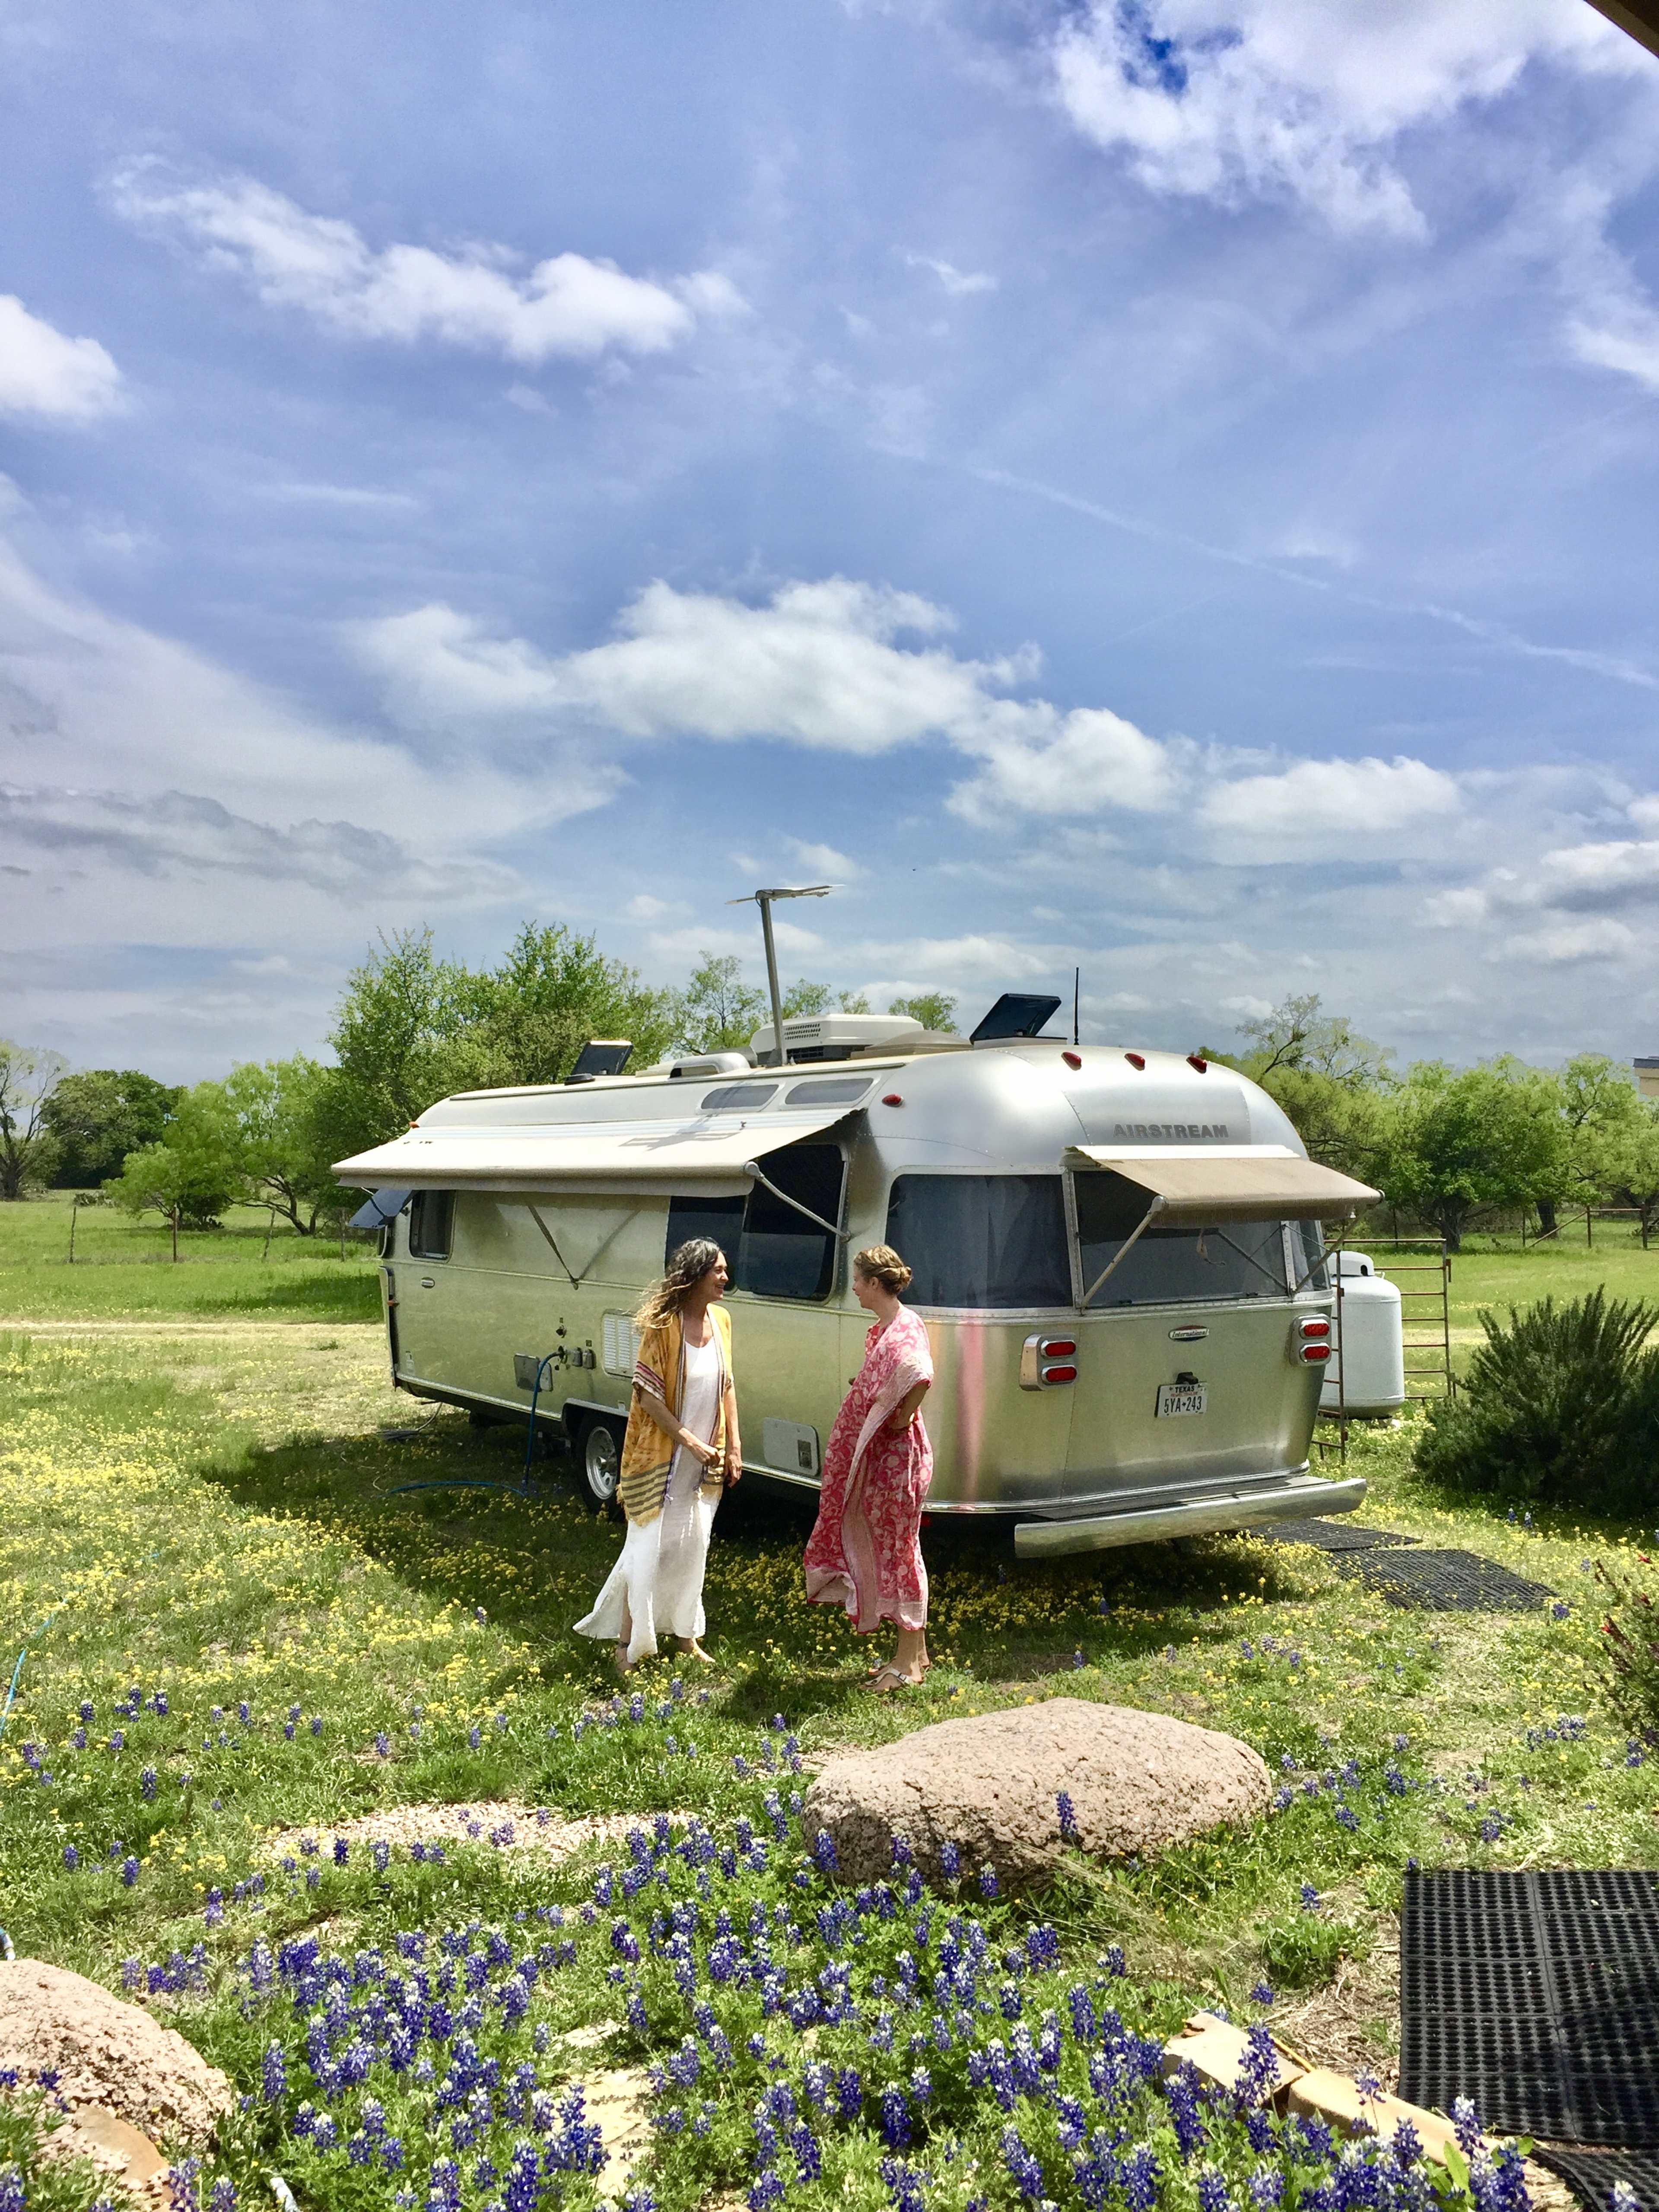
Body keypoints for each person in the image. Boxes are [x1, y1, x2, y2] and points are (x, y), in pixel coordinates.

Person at [574, 1238, 741, 1672]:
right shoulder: (664, 1326)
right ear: (695, 1275)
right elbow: (647, 1397)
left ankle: (687, 1636)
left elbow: (727, 1385)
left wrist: (734, 1445)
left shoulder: (722, 1320)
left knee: (692, 1546)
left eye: (725, 1270)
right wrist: (690, 1441)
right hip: (661, 1458)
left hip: (704, 1461)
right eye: (718, 1270)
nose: (726, 1277)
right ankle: (626, 1647)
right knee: (645, 1550)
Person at [803, 1243, 934, 1692]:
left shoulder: (904, 1328)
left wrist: (902, 1415)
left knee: (898, 1549)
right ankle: (915, 1653)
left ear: (876, 1283)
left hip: (898, 1461)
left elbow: (919, 1372)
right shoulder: (886, 1328)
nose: (854, 1287)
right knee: (894, 1545)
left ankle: (907, 1663)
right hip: (882, 1459)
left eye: (858, 1280)